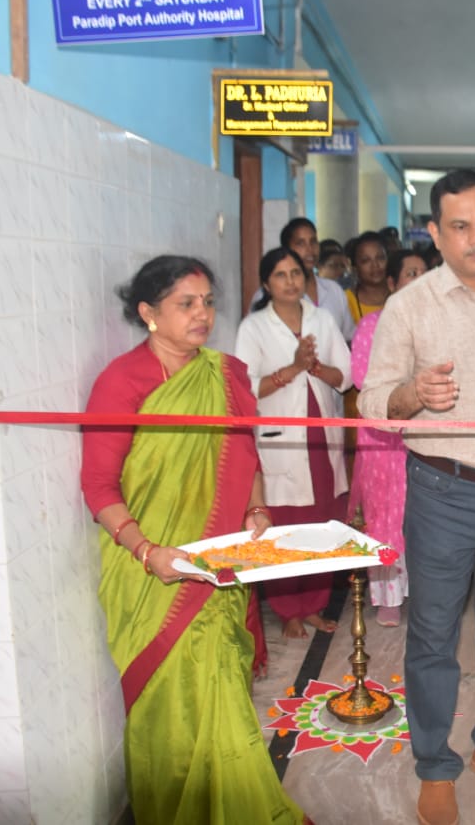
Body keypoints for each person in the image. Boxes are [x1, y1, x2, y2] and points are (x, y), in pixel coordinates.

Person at [80, 255, 306, 824]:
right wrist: (148, 551)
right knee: (167, 706)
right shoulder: (121, 380)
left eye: (207, 302)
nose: (203, 313)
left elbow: (245, 453)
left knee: (221, 691)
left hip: (216, 561)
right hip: (150, 570)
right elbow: (98, 485)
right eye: (187, 303)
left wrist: (257, 506)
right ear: (149, 313)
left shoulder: (226, 374)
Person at [358, 169, 475, 825]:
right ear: (435, 232)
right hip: (444, 492)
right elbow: (373, 404)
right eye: (461, 226)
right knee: (434, 636)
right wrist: (416, 393)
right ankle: (435, 763)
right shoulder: (410, 306)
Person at [236, 248, 351, 639]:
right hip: (281, 437)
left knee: (321, 520)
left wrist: (316, 368)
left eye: (296, 273)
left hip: (321, 433)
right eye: (281, 275)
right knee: (285, 523)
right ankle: (288, 610)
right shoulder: (253, 327)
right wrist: (294, 368)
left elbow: (346, 376)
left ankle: (315, 606)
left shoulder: (323, 318)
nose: (290, 281)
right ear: (267, 284)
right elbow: (246, 388)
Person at [347, 248, 430, 627]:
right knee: (386, 515)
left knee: (425, 515)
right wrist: (411, 392)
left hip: (428, 434)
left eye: (424, 273)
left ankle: (427, 592)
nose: (419, 281)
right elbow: (366, 382)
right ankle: (388, 597)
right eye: (410, 274)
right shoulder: (372, 326)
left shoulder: (438, 326)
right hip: (384, 438)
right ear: (394, 283)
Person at [280, 217, 355, 341]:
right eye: (301, 243)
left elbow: (349, 337)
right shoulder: (273, 293)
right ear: (287, 249)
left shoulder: (334, 290)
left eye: (313, 242)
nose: (310, 250)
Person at [345, 231, 390, 323]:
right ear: (355, 267)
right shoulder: (345, 300)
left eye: (380, 258)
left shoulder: (400, 294)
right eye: (366, 261)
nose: (375, 265)